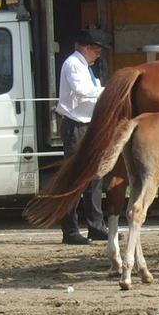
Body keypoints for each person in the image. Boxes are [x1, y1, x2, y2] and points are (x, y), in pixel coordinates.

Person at [56, 27, 110, 245]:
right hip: (76, 126)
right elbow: (82, 91)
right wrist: (109, 90)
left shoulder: (84, 66)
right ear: (87, 48)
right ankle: (70, 230)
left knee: (95, 177)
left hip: (87, 125)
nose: (98, 55)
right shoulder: (73, 64)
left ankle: (96, 226)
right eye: (96, 50)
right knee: (75, 178)